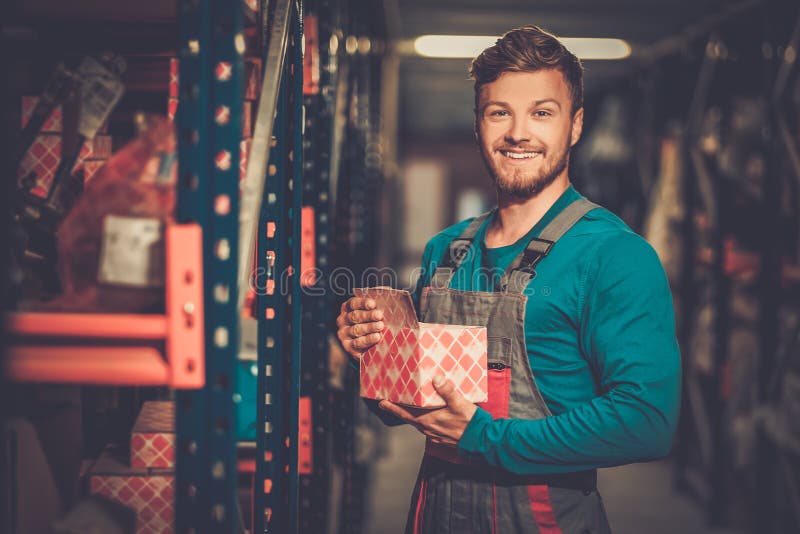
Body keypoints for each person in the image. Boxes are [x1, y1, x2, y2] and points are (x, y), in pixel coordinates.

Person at [336, 25, 681, 534]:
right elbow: (410, 406)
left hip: (546, 520)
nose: (518, 133)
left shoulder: (614, 255)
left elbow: (647, 422)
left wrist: (488, 440)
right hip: (434, 515)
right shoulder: (446, 251)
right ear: (478, 124)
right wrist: (373, 356)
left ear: (575, 125)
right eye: (500, 112)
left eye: (542, 113)